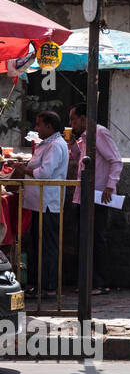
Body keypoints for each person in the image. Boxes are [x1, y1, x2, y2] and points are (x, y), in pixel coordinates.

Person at [68, 103, 124, 296]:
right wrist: (73, 145)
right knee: (83, 239)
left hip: (98, 194)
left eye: (73, 120)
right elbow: (79, 159)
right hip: (83, 195)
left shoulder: (99, 133)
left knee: (95, 239)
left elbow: (116, 160)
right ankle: (87, 281)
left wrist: (110, 185)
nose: (72, 124)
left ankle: (99, 282)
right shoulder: (84, 137)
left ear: (83, 118)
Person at [12, 111, 69, 297]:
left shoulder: (55, 145)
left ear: (49, 127)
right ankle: (39, 285)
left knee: (46, 246)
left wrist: (24, 170)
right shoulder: (48, 144)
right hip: (39, 203)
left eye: (39, 125)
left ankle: (48, 286)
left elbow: (44, 173)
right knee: (37, 245)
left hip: (47, 203)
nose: (36, 129)